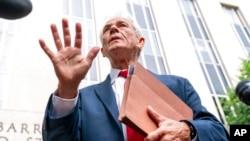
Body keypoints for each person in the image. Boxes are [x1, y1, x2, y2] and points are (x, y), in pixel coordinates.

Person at [39, 11, 230, 141]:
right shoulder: (80, 99)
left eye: (122, 25)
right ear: (103, 51)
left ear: (140, 41)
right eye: (107, 29)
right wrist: (67, 88)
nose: (113, 29)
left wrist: (187, 130)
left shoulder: (178, 85)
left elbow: (218, 132)